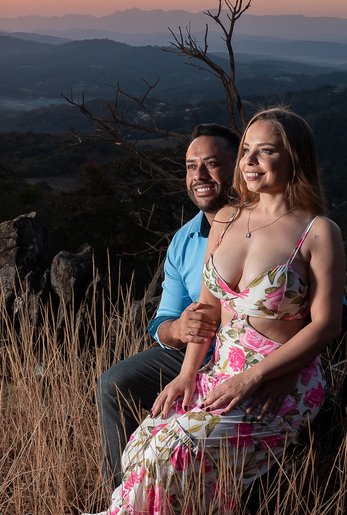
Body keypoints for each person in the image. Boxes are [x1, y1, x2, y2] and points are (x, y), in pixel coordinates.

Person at [68, 108, 346, 515]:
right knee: (147, 439)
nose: (252, 161)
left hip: (278, 379)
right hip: (216, 369)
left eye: (266, 150)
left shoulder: (318, 232)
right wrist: (185, 375)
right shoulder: (225, 219)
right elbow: (206, 312)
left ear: (295, 157)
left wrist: (259, 375)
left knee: (177, 451)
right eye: (247, 151)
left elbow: (326, 326)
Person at [96, 123, 239, 489]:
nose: (199, 176)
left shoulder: (270, 226)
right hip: (193, 353)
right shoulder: (185, 239)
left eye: (211, 164)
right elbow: (161, 320)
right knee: (114, 384)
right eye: (191, 167)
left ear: (238, 166)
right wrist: (177, 329)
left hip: (246, 357)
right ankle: (122, 503)